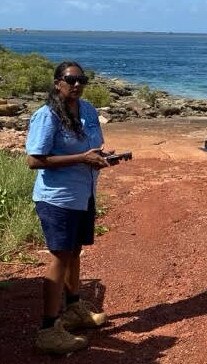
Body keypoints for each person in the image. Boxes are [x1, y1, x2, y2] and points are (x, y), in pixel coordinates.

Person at [25, 61, 110, 354]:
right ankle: (48, 330)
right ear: (57, 82)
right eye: (70, 79)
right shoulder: (46, 115)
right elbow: (34, 160)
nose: (76, 85)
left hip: (83, 193)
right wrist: (82, 158)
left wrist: (100, 156)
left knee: (74, 251)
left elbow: (93, 146)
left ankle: (73, 309)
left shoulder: (86, 110)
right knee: (60, 256)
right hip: (57, 198)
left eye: (81, 80)